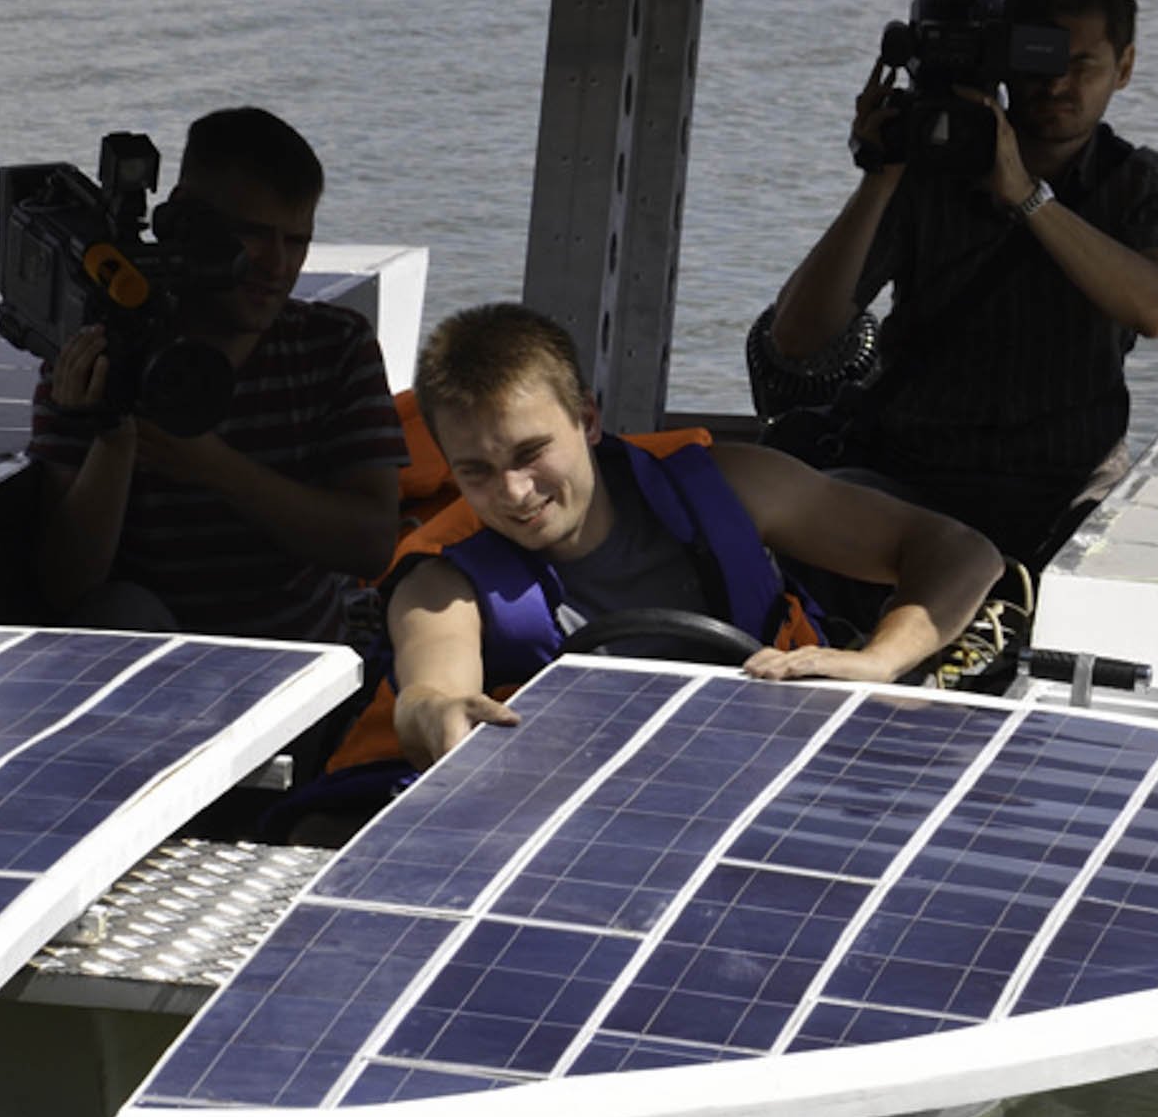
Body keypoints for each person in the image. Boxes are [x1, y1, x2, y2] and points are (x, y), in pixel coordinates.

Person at [352, 302, 1001, 774]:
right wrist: (437, 715)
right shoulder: (442, 582)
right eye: (477, 471)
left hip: (764, 774)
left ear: (587, 417)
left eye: (531, 453)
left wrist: (879, 661)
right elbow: (430, 691)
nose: (516, 493)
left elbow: (962, 552)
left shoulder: (735, 485)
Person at [752, 0, 1158, 567]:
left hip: (1066, 482)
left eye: (1084, 65)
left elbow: (1157, 307)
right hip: (912, 477)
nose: (1058, 82)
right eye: (1040, 59)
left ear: (1125, 66)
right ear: (1005, 57)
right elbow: (797, 336)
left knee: (1116, 563)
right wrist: (879, 178)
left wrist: (1027, 197)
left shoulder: (1149, 186)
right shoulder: (928, 175)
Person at [28, 106, 405, 645]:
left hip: (293, 668)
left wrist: (212, 467)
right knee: (118, 608)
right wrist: (114, 438)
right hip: (149, 668)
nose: (277, 265)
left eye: (296, 240)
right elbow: (67, 587)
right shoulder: (97, 350)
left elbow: (370, 544)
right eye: (251, 236)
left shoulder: (336, 345)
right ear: (185, 219)